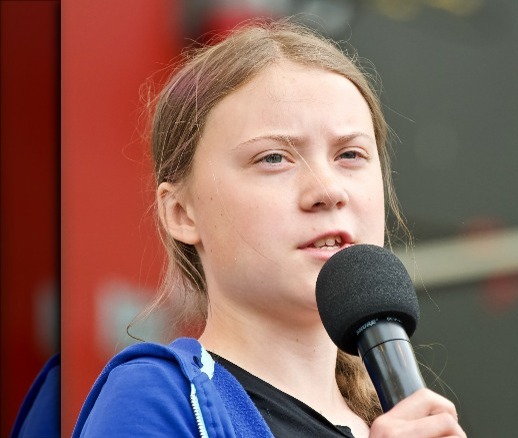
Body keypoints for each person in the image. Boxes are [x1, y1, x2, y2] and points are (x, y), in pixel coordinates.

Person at [73, 19, 466, 438]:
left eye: (350, 154)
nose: (328, 190)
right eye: (274, 158)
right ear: (182, 214)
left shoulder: (398, 424)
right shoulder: (157, 398)